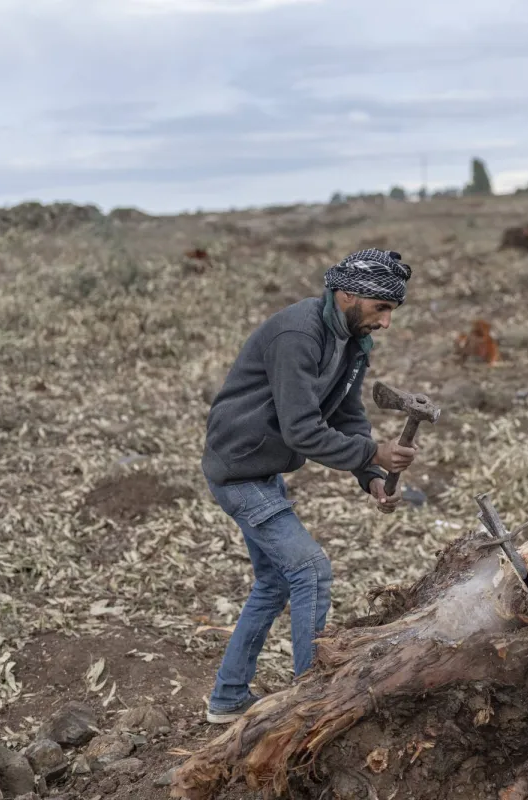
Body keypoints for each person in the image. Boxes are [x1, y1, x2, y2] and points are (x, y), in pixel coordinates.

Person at [199, 248, 417, 723]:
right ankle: (310, 705)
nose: (386, 323)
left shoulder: (353, 341)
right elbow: (301, 430)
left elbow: (344, 413)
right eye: (381, 309)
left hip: (263, 467)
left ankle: (228, 698)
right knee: (310, 570)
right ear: (346, 295)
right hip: (239, 470)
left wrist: (371, 476)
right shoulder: (299, 333)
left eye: (391, 312)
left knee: (275, 581)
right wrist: (373, 451)